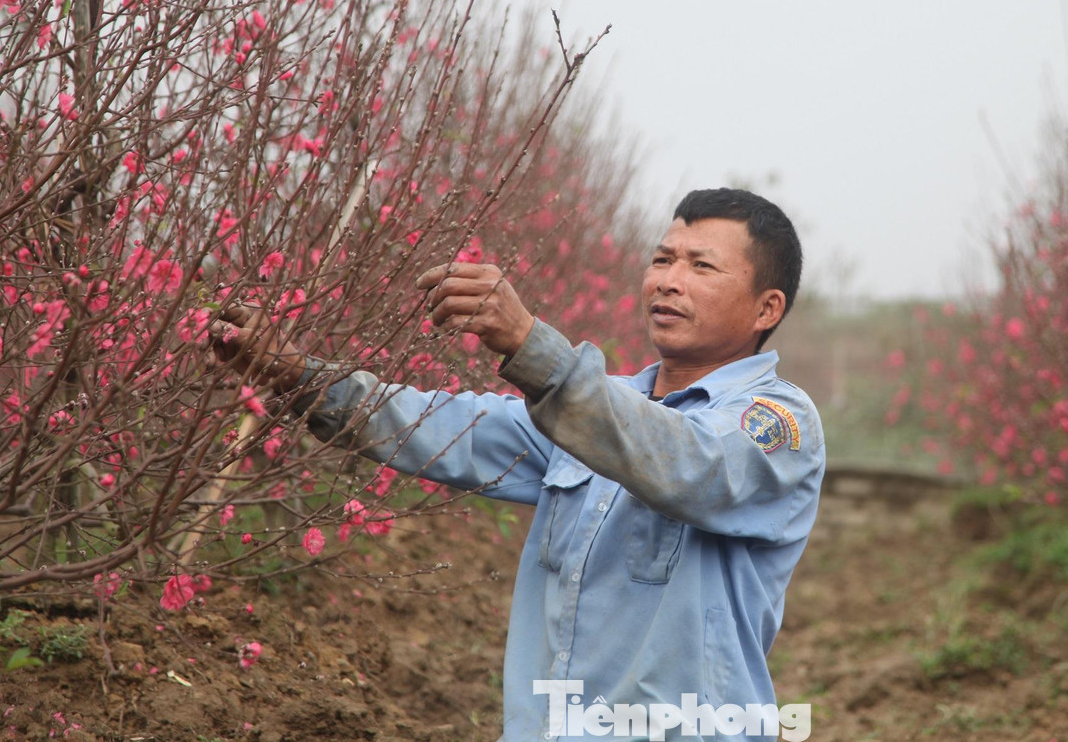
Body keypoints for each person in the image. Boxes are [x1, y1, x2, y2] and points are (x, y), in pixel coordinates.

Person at [208, 188, 825, 741]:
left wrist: (533, 346)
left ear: (766, 308)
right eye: (663, 259)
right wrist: (297, 375)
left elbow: (687, 466)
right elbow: (443, 426)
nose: (668, 279)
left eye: (701, 266)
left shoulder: (777, 427)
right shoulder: (594, 411)